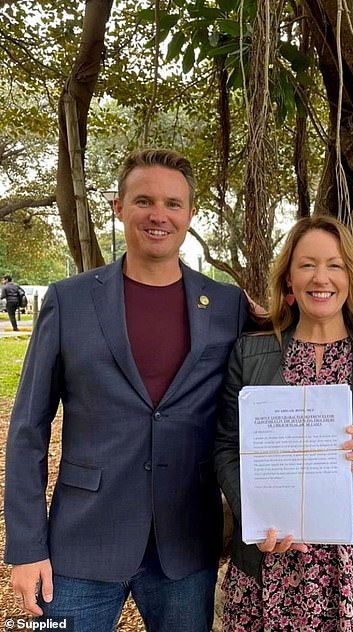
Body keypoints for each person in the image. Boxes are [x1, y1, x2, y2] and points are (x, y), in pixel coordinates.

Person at [4, 148, 249, 631]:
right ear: (118, 207)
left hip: (185, 547)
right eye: (144, 201)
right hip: (80, 545)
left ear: (190, 214)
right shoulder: (68, 300)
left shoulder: (227, 306)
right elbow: (28, 428)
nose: (159, 215)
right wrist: (27, 547)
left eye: (173, 204)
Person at [214, 215, 353, 631]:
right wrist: (253, 516)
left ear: (351, 276)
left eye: (335, 264)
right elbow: (226, 447)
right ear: (289, 279)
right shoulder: (251, 354)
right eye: (307, 264)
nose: (321, 277)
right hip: (274, 556)